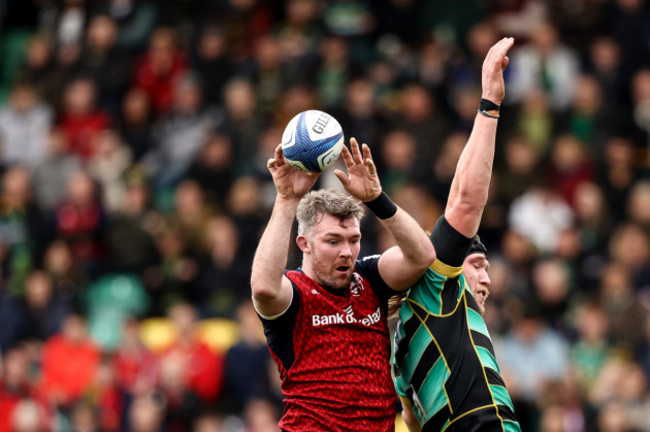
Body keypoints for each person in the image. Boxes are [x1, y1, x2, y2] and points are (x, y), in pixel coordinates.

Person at [250, 137, 435, 431]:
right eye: (333, 241)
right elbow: (262, 288)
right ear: (304, 244)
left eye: (354, 240)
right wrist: (286, 200)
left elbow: (423, 255)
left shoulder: (370, 277)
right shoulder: (293, 293)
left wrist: (376, 198)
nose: (346, 252)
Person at [392, 37, 522, 432]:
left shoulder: (401, 354)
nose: (487, 279)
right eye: (477, 265)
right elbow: (465, 201)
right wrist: (489, 103)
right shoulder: (437, 285)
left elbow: (412, 422)